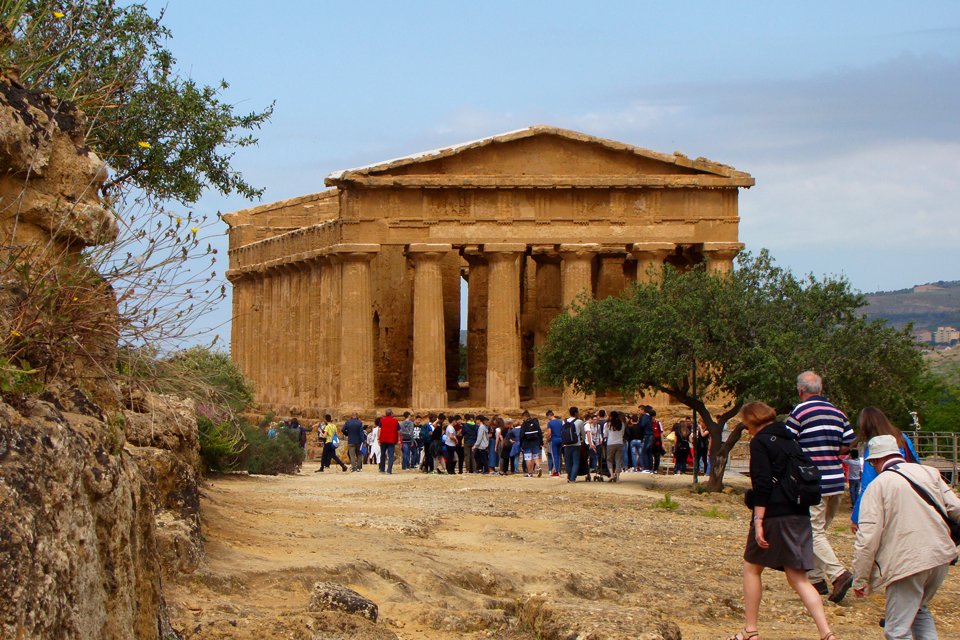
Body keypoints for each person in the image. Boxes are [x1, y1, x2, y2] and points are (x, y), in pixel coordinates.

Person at [731, 402, 836, 640]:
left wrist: (758, 520)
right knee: (799, 578)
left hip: (774, 514)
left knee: (751, 567)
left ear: (752, 420)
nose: (746, 429)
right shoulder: (791, 440)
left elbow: (762, 483)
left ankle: (750, 630)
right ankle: (826, 633)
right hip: (799, 513)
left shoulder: (760, 442)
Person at [852, 434, 960, 640]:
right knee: (919, 610)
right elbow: (956, 508)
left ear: (874, 460)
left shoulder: (878, 486)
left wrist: (860, 578)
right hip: (940, 556)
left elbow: (867, 538)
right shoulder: (929, 472)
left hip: (907, 561)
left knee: (897, 631)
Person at [785, 370, 856, 602]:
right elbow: (847, 445)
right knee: (817, 532)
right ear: (821, 390)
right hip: (836, 480)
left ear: (800, 391)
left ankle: (838, 574)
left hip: (812, 483)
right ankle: (816, 580)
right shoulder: (838, 413)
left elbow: (788, 442)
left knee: (812, 532)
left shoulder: (800, 412)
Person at [850, 407, 921, 531]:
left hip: (888, 497)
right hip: (910, 493)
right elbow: (916, 462)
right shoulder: (901, 436)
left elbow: (868, 484)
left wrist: (856, 517)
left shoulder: (873, 446)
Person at [562, 407, 584, 483]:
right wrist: (584, 441)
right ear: (576, 413)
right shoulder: (580, 422)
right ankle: (572, 478)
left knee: (568, 462)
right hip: (576, 444)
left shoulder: (564, 421)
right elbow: (583, 434)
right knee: (575, 462)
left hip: (566, 444)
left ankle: (569, 476)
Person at [605, 410, 625, 482]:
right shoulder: (622, 424)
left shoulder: (607, 424)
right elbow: (622, 434)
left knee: (609, 459)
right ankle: (618, 477)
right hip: (619, 443)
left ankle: (612, 475)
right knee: (618, 460)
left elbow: (605, 435)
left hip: (610, 443)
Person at [378, 409, 400, 474]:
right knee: (391, 455)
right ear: (391, 414)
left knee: (382, 454)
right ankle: (389, 470)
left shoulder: (382, 420)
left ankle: (382, 469)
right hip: (391, 440)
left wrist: (378, 439)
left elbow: (379, 430)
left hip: (383, 439)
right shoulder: (395, 421)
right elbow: (398, 431)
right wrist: (398, 439)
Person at [544, 409, 563, 477]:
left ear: (549, 416)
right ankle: (558, 470)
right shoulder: (560, 422)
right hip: (560, 439)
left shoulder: (550, 423)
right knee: (558, 455)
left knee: (554, 456)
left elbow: (549, 433)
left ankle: (556, 471)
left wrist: (546, 441)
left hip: (554, 440)